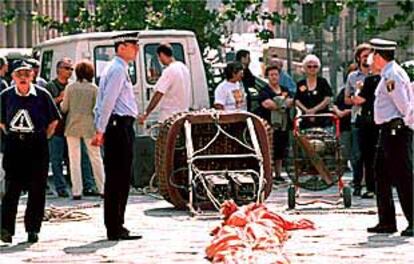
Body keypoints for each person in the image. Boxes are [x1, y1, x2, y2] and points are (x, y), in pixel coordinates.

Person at [0, 61, 60, 244]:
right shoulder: (5, 95)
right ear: (13, 77)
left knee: (37, 189)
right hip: (14, 145)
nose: (23, 77)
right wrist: (11, 134)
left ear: (33, 76)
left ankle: (33, 228)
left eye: (27, 73)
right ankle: (5, 229)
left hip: (37, 145)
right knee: (11, 190)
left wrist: (42, 137)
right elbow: (1, 120)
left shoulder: (42, 95)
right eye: (20, 74)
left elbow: (54, 120)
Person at [92, 32, 142, 241]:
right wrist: (100, 130)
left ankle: (117, 224)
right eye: (133, 45)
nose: (137, 49)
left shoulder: (117, 68)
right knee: (117, 178)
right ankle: (114, 226)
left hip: (120, 126)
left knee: (120, 178)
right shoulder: (117, 69)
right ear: (121, 47)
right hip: (117, 127)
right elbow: (107, 102)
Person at [367, 38, 413, 237]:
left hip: (396, 132)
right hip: (387, 131)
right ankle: (386, 221)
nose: (371, 58)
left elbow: (405, 106)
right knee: (381, 175)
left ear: (378, 56)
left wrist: (406, 127)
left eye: (373, 54)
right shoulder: (387, 73)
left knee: (404, 177)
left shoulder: (392, 75)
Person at [60, 60, 105, 200]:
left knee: (74, 160)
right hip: (89, 126)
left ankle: (76, 191)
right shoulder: (94, 88)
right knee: (96, 158)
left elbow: (64, 108)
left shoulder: (70, 88)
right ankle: (103, 188)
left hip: (72, 125)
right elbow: (97, 109)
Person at [256, 64, 293, 183]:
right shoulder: (264, 90)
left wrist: (278, 104)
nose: (274, 77)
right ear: (267, 76)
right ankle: (269, 174)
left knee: (281, 150)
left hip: (284, 125)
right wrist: (281, 104)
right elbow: (267, 104)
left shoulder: (285, 89)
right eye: (271, 75)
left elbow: (291, 102)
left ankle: (278, 174)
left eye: (276, 74)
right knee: (269, 149)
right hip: (269, 125)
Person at [344, 43, 372, 197]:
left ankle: (370, 186)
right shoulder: (353, 77)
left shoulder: (377, 74)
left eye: (369, 56)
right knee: (357, 154)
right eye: (364, 56)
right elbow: (346, 99)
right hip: (357, 119)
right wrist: (355, 100)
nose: (367, 59)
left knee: (371, 154)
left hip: (374, 119)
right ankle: (356, 183)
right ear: (358, 58)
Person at [138, 44, 191, 123]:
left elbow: (159, 93)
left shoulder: (169, 70)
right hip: (183, 114)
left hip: (169, 116)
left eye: (159, 57)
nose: (160, 60)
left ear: (162, 55)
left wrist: (146, 113)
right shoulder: (183, 67)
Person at [45, 57, 73, 198]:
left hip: (70, 128)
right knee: (56, 161)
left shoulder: (72, 86)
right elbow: (46, 106)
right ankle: (61, 188)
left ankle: (74, 186)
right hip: (56, 129)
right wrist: (60, 98)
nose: (70, 72)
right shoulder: (50, 87)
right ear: (58, 70)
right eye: (67, 68)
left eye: (71, 69)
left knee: (71, 160)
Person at [294, 54, 332, 128]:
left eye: (315, 66)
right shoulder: (300, 84)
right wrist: (307, 111)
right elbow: (297, 100)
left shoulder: (323, 82)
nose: (312, 68)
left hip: (323, 120)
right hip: (306, 120)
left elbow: (327, 99)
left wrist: (314, 111)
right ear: (305, 68)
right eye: (309, 66)